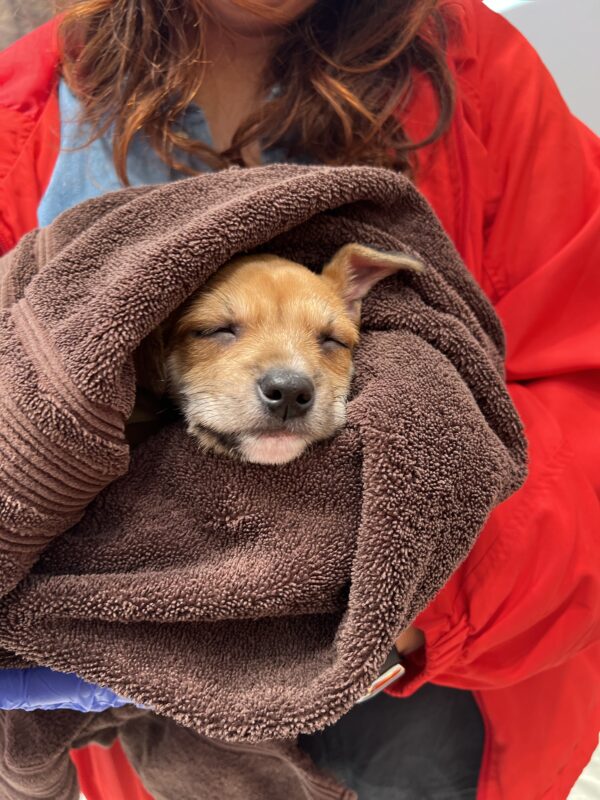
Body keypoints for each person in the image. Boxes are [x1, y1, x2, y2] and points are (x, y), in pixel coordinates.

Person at [0, 1, 598, 798]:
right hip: (140, 715)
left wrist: (398, 586)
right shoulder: (27, 101)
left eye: (328, 340)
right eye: (219, 328)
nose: (287, 376)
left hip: (411, 692)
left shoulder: (478, 73)